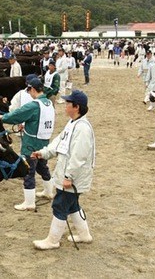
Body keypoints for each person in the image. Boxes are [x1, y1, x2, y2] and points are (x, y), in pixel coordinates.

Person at [31, 90, 95, 250]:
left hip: (74, 177)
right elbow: (59, 142)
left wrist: (69, 177)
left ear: (77, 107)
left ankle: (52, 241)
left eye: (68, 103)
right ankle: (84, 235)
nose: (65, 106)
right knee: (72, 205)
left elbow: (79, 156)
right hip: (68, 174)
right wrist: (43, 153)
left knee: (60, 205)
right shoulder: (72, 123)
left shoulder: (83, 128)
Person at [1, 78, 56, 211]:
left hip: (31, 143)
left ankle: (29, 202)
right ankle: (49, 192)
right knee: (42, 167)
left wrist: (1, 118)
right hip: (44, 141)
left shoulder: (33, 105)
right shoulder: (48, 103)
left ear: (32, 89)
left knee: (28, 171)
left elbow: (16, 115)